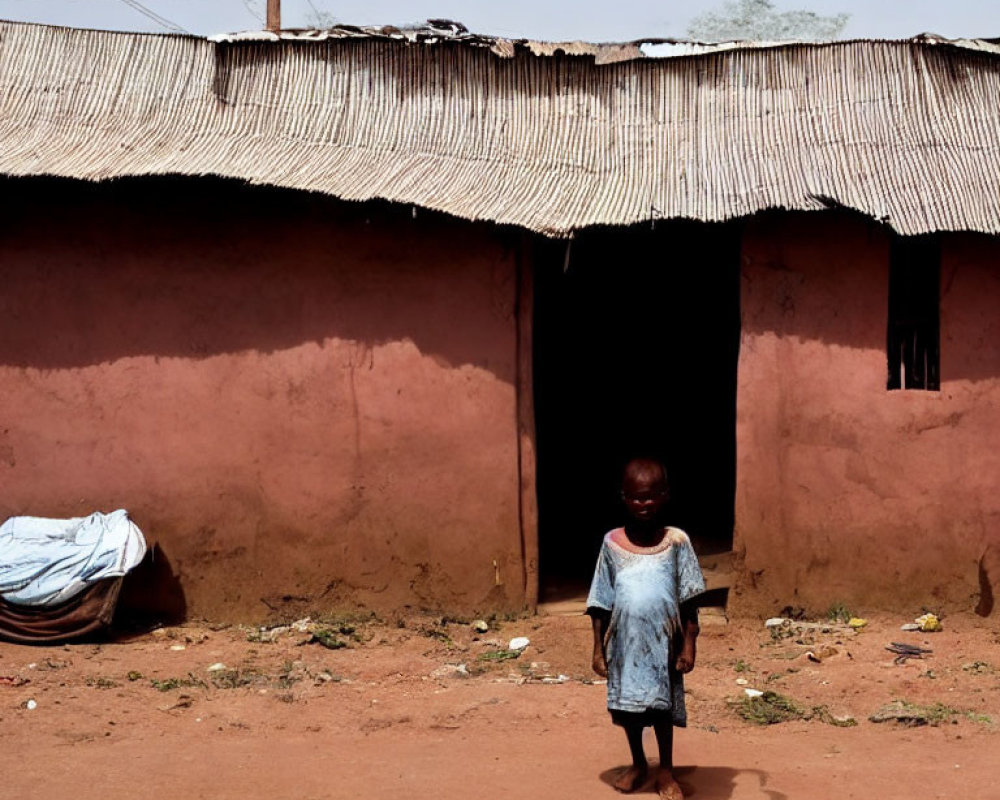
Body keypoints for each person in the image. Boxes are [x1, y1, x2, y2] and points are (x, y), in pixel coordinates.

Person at [587, 458, 705, 799]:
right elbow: (600, 601)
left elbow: (690, 599)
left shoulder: (677, 542)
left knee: (662, 711)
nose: (645, 504)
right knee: (629, 711)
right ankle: (638, 762)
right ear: (623, 497)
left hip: (664, 644)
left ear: (665, 496)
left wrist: (689, 645)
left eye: (652, 496)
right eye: (637, 497)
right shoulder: (611, 544)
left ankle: (666, 770)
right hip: (625, 646)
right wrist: (598, 649)